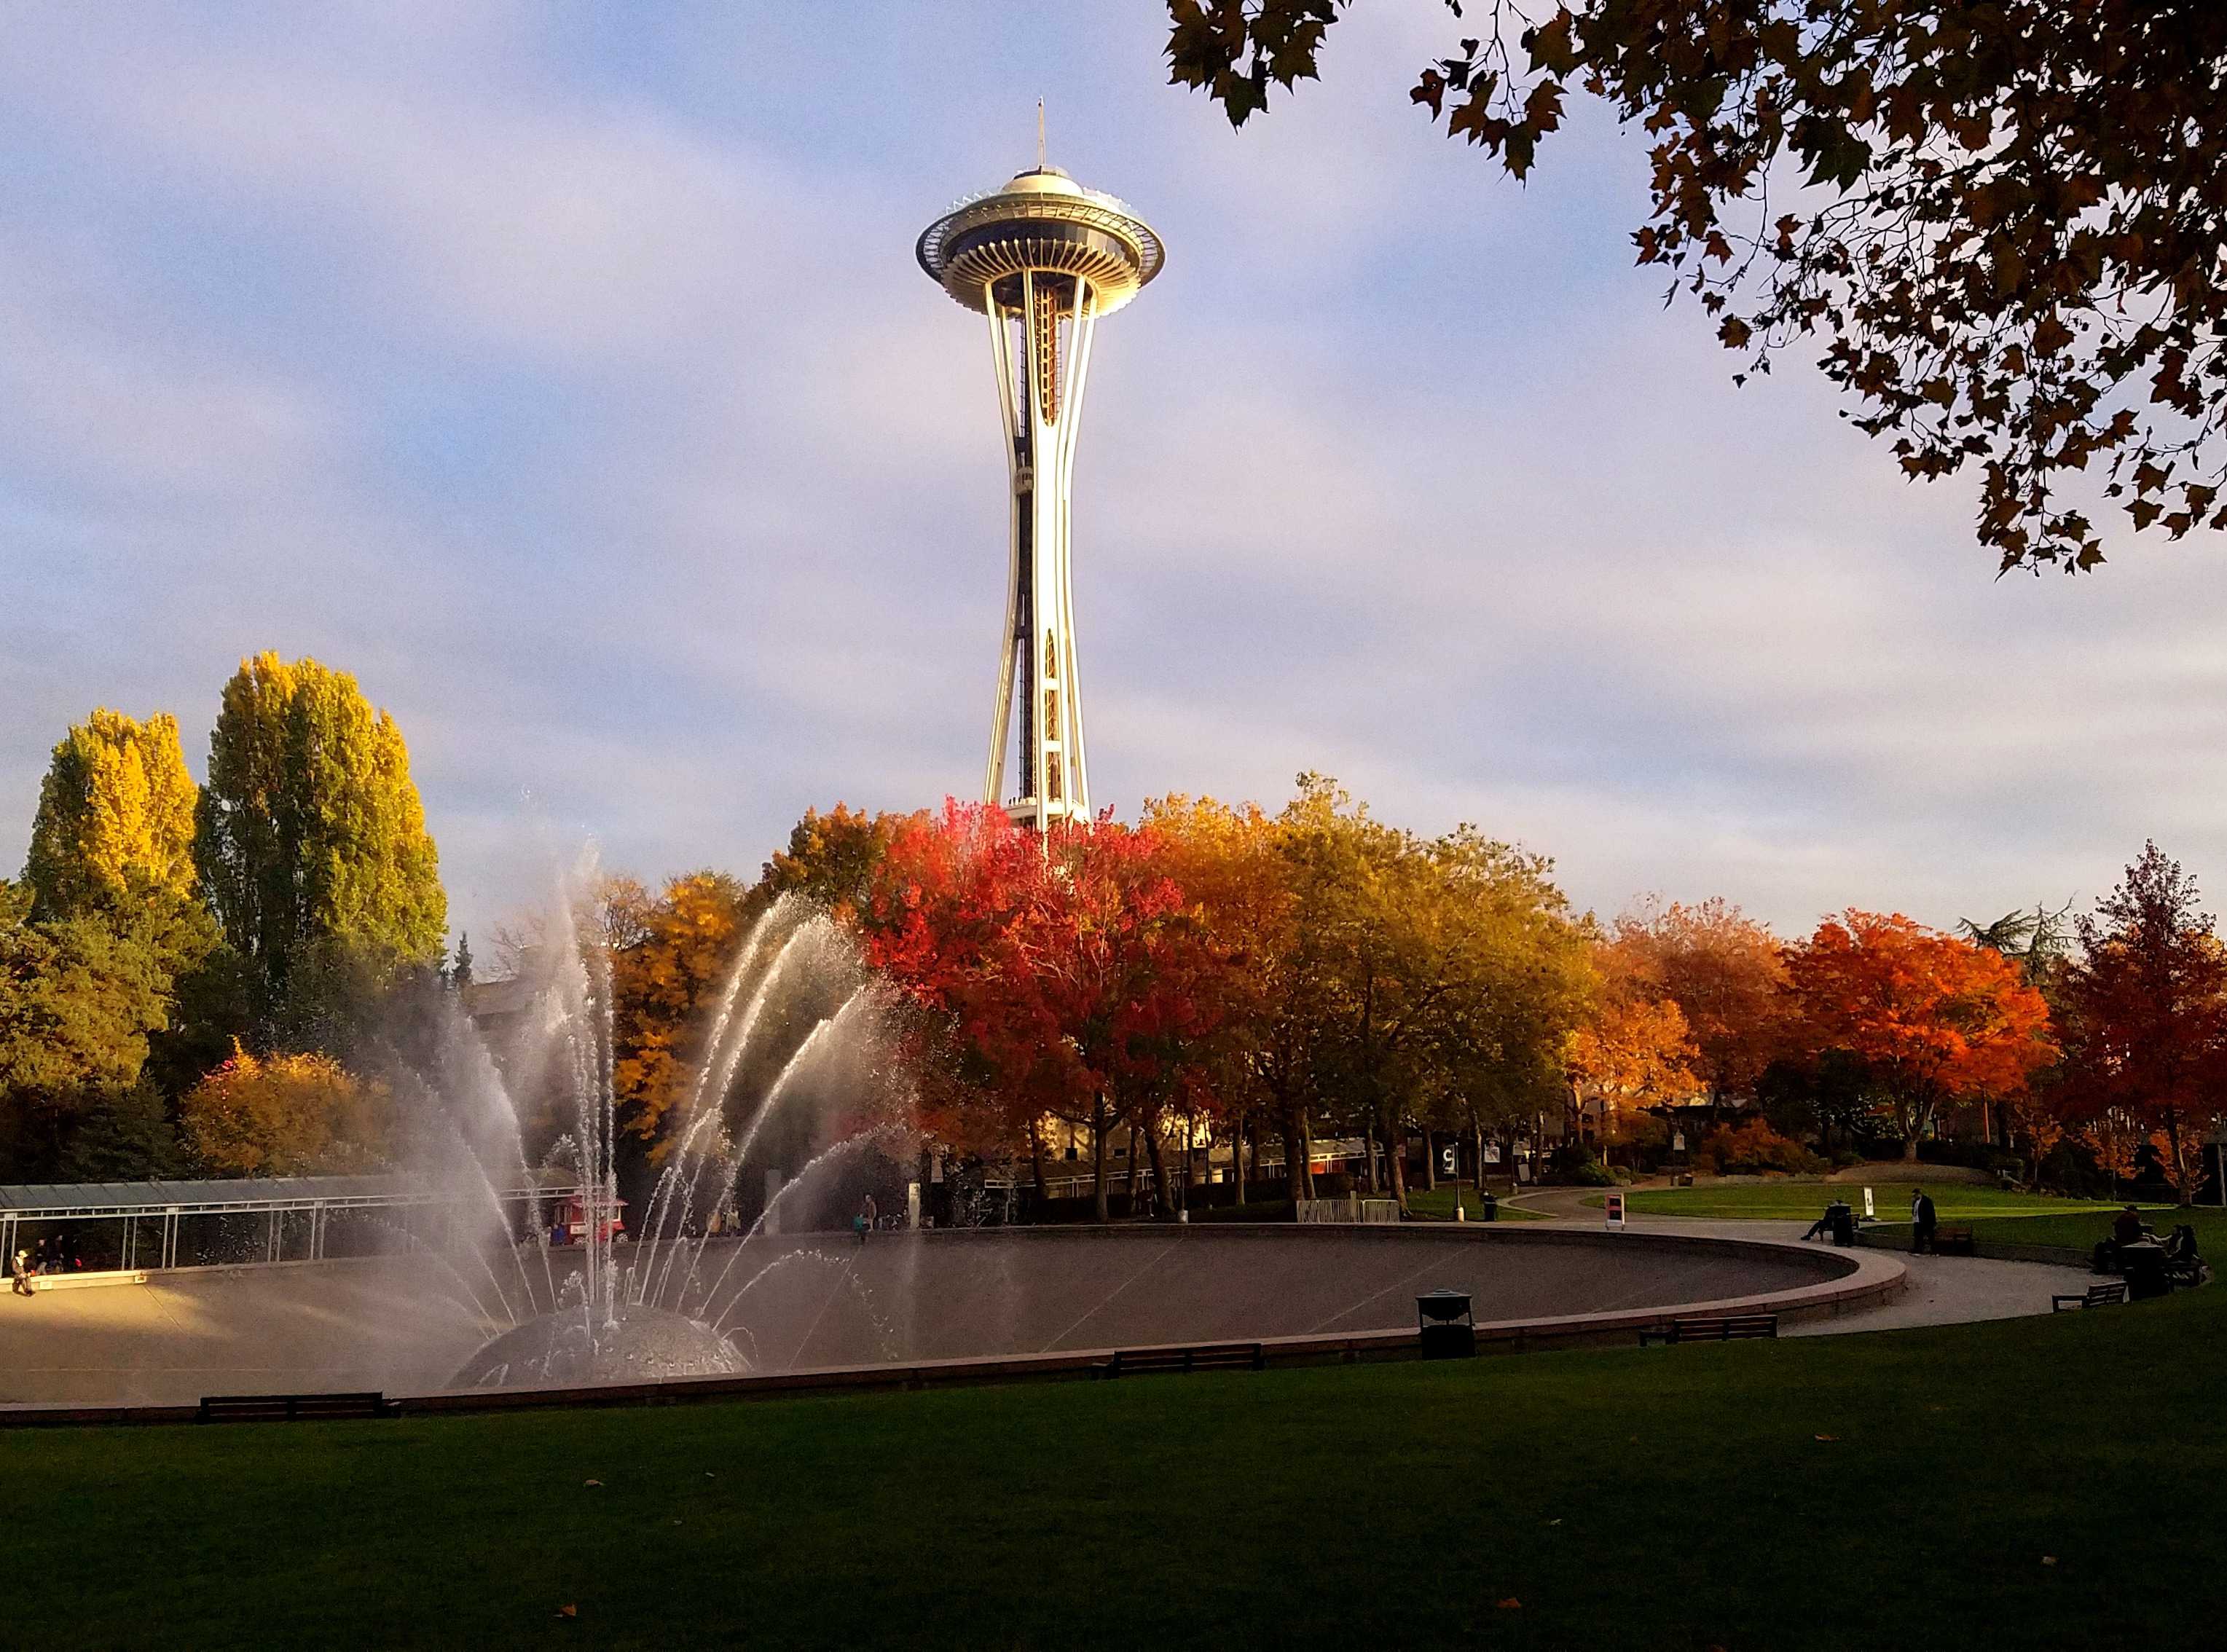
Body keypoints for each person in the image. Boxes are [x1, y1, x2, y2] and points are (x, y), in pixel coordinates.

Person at [1911, 1188, 1939, 1254]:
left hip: (1926, 1222)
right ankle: (1917, 1250)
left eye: (1915, 1195)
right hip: (1917, 1222)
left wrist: (1933, 1222)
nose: (1914, 1197)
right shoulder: (1915, 1202)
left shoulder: (1927, 1201)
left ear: (1919, 1194)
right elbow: (1914, 1211)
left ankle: (1934, 1251)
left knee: (1930, 1237)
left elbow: (1931, 1212)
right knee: (1918, 1237)